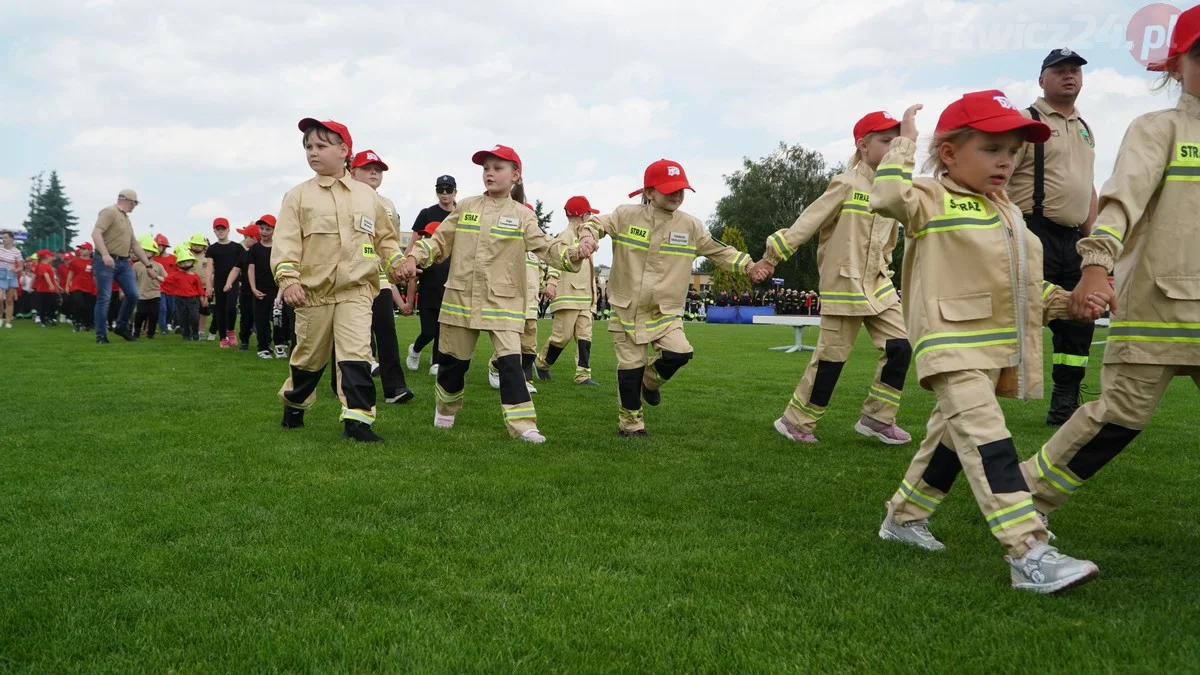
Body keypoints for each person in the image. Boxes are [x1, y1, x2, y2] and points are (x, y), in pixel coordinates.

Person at [870, 95, 1107, 594]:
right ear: (950, 153)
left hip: (993, 353)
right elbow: (887, 197)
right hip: (949, 345)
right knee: (988, 440)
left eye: (1014, 151)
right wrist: (905, 144)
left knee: (952, 440)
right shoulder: (927, 197)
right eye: (992, 148)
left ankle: (903, 517)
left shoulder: (1010, 215)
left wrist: (1069, 304)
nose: (1006, 160)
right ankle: (1028, 550)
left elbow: (1021, 288)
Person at [1020, 8, 1200, 537]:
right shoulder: (1158, 129)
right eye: (1199, 55)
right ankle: (1029, 494)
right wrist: (1097, 264)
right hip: (1159, 308)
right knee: (1120, 416)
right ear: (1174, 67)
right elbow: (1118, 204)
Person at [394, 144, 593, 443]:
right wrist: (414, 257)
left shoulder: (523, 216)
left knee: (511, 364)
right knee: (453, 366)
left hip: (504, 303)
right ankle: (446, 410)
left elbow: (546, 246)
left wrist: (573, 254)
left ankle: (523, 425)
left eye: (497, 168)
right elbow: (439, 241)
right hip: (460, 299)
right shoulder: (467, 207)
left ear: (515, 175)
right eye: (486, 168)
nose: (489, 173)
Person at [751, 111, 913, 445]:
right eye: (886, 141)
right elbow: (806, 223)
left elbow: (891, 239)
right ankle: (796, 421)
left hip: (879, 286)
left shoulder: (894, 190)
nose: (893, 147)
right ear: (863, 145)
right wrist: (771, 258)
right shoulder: (846, 183)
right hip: (844, 285)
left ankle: (877, 418)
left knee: (901, 347)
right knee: (830, 360)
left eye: (897, 141)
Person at [580, 159, 755, 437]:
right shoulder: (626, 215)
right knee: (630, 368)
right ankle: (631, 424)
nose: (676, 195)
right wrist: (588, 237)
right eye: (669, 189)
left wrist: (748, 265)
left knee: (680, 353)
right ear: (649, 192)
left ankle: (649, 383)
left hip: (666, 312)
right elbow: (595, 223)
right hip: (626, 309)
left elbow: (720, 252)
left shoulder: (691, 226)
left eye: (681, 189)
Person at [273, 118, 405, 443]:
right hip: (312, 295)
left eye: (321, 145)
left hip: (357, 291)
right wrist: (289, 280)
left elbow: (386, 239)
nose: (313, 153)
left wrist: (398, 261)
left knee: (356, 354)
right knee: (308, 359)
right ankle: (294, 402)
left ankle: (357, 423)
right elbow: (286, 242)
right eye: (308, 147)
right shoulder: (297, 197)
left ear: (343, 150)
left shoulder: (367, 197)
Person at [1008, 48, 1100, 426]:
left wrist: (1093, 241)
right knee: (1019, 316)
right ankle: (970, 391)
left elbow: (1086, 187)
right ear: (1041, 79)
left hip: (1073, 240)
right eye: (1060, 70)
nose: (1070, 75)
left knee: (1081, 318)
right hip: (1033, 230)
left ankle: (1064, 403)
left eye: (1075, 70)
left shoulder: (1084, 126)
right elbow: (996, 175)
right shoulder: (1026, 122)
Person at [348, 149, 413, 404]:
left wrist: (396, 266)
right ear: (353, 172)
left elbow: (390, 241)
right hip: (350, 277)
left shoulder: (387, 205)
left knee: (386, 330)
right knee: (352, 334)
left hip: (379, 278)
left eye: (378, 168)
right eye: (367, 168)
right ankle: (344, 384)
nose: (374, 172)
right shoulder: (342, 199)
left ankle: (394, 387)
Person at [535, 196, 602, 386]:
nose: (590, 219)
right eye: (589, 214)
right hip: (567, 296)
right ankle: (541, 363)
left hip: (584, 298)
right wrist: (552, 282)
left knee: (584, 336)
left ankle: (583, 375)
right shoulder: (565, 236)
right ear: (582, 216)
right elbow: (556, 259)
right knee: (561, 337)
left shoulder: (583, 237)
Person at [91, 189, 160, 343]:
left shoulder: (126, 219)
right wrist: (105, 254)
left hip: (123, 261)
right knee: (105, 298)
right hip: (106, 261)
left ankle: (121, 326)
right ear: (129, 200)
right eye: (135, 203)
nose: (135, 206)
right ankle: (101, 335)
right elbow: (96, 233)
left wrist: (148, 265)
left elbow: (134, 244)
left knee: (133, 294)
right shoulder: (109, 212)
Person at [405, 220, 450, 376]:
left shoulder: (450, 256)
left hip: (445, 300)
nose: (427, 238)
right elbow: (412, 280)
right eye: (425, 235)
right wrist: (409, 302)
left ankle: (437, 362)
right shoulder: (422, 257)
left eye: (430, 235)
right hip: (427, 300)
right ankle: (415, 350)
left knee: (441, 333)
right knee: (428, 332)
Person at [248, 217, 290, 359]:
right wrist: (253, 288)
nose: (264, 232)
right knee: (261, 320)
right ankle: (263, 347)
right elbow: (250, 270)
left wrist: (280, 293)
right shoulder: (254, 249)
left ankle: (279, 346)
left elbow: (283, 270)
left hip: (277, 290)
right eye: (262, 229)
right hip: (259, 290)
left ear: (274, 230)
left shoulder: (279, 249)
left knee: (278, 319)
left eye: (268, 229)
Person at [223, 222, 263, 351]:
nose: (244, 240)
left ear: (254, 239)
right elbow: (235, 269)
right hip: (246, 291)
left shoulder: (266, 253)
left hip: (262, 290)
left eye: (246, 237)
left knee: (261, 317)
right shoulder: (244, 254)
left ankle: (263, 343)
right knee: (246, 316)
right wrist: (229, 282)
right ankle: (244, 341)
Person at [206, 218, 243, 348]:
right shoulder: (212, 249)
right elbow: (210, 268)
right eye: (218, 229)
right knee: (220, 310)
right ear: (214, 231)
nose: (220, 231)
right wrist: (209, 286)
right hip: (219, 282)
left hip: (233, 282)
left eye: (223, 229)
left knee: (231, 308)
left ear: (228, 230)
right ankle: (223, 337)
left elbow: (242, 265)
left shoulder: (237, 247)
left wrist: (242, 281)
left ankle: (231, 331)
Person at [405, 175, 458, 256]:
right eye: (440, 189)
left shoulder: (459, 216)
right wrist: (405, 264)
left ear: (455, 192)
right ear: (436, 192)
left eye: (448, 189)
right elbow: (413, 242)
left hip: (451, 267)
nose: (444, 192)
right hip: (427, 266)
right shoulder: (426, 213)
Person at [132, 235, 166, 339]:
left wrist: (157, 277)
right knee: (140, 314)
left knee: (154, 315)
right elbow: (133, 280)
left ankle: (150, 334)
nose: (146, 253)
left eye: (149, 251)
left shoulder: (158, 266)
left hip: (155, 294)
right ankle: (136, 331)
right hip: (141, 294)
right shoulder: (136, 265)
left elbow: (166, 278)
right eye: (144, 251)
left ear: (153, 253)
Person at [169, 247, 206, 341]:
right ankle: (186, 334)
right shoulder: (176, 275)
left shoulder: (195, 276)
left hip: (193, 299)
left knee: (194, 316)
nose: (186, 264)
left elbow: (200, 288)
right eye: (183, 262)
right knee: (182, 318)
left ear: (192, 262)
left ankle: (195, 332)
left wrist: (202, 299)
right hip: (180, 299)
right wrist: (156, 276)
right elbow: (166, 280)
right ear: (179, 264)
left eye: (188, 261)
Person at [65, 242, 97, 332]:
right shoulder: (75, 261)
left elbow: (95, 275)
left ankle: (86, 324)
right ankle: (77, 322)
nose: (81, 250)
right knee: (79, 304)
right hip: (77, 286)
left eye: (84, 249)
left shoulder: (93, 262)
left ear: (90, 251)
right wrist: (67, 285)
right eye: (81, 248)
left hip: (89, 287)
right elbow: (71, 273)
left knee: (88, 307)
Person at [152, 234, 177, 335]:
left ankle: (167, 323)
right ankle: (163, 328)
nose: (157, 248)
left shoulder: (174, 259)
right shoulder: (153, 259)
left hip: (171, 288)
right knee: (162, 308)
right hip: (159, 287)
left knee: (171, 309)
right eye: (156, 245)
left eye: (159, 245)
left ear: (165, 246)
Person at [32, 250, 60, 326]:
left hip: (50, 290)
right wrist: (50, 284)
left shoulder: (48, 265)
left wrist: (57, 286)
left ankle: (49, 318)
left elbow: (52, 277)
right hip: (43, 289)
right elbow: (46, 275)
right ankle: (42, 320)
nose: (52, 257)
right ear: (46, 257)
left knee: (51, 304)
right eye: (50, 256)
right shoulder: (42, 265)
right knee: (43, 305)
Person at [0, 230, 21, 328]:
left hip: (11, 274)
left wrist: (16, 270)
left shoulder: (17, 251)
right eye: (3, 238)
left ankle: (8, 321)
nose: (3, 239)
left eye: (6, 237)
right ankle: (0, 318)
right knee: (0, 298)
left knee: (9, 300)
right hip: (0, 273)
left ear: (12, 239)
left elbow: (21, 267)